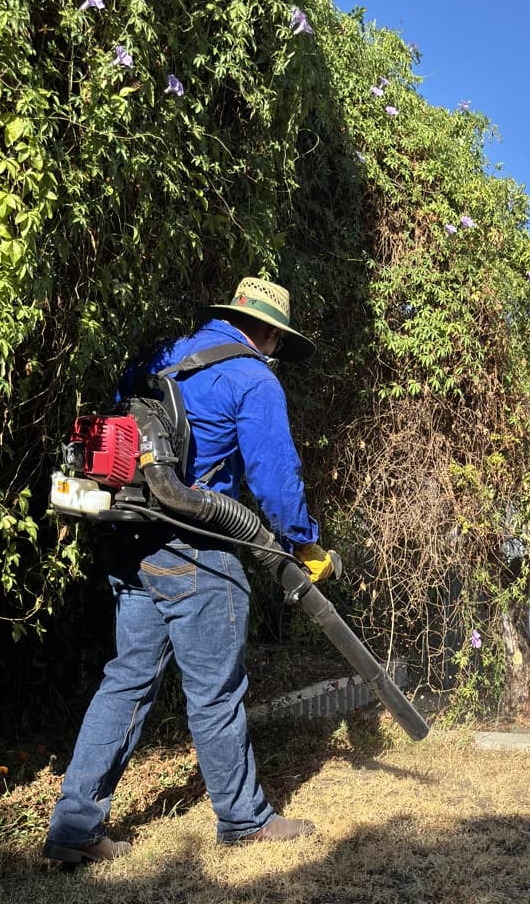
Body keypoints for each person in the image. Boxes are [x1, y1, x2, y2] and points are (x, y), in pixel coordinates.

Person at [44, 277, 333, 865]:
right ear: (272, 333)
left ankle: (74, 830)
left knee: (126, 679)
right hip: (199, 549)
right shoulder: (254, 377)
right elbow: (276, 479)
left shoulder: (162, 357)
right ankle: (245, 821)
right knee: (216, 691)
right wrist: (304, 544)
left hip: (132, 540)